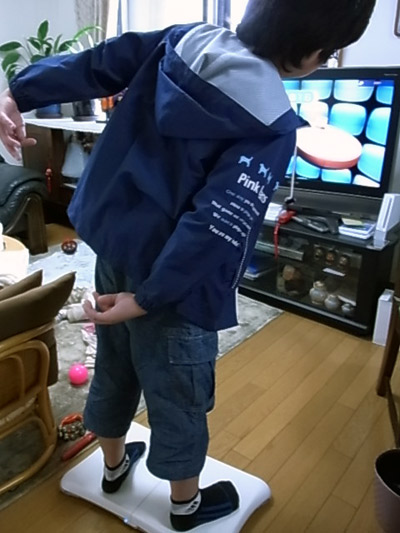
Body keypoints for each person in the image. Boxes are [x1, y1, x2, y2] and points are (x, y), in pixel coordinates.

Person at [0, 1, 376, 529]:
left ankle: (113, 468)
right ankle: (185, 506)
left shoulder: (180, 40)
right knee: (179, 389)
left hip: (113, 246)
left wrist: (17, 92)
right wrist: (148, 298)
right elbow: (214, 225)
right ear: (314, 51)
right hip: (174, 286)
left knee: (115, 364)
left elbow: (99, 62)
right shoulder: (271, 126)